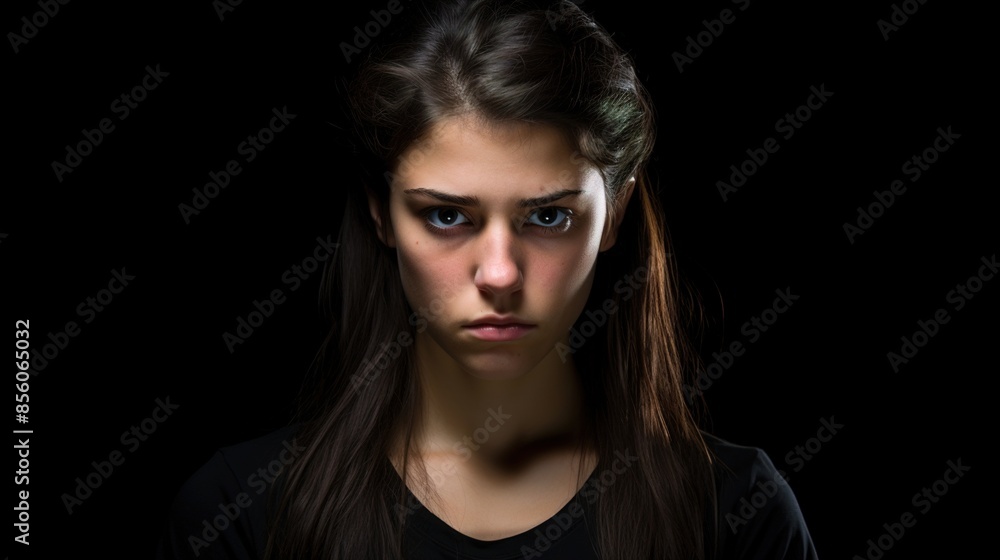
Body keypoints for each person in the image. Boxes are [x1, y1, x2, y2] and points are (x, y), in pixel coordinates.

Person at [154, 1, 819, 558]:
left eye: (549, 216)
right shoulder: (242, 514)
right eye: (447, 216)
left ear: (614, 214)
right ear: (381, 215)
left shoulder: (736, 514)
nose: (499, 273)